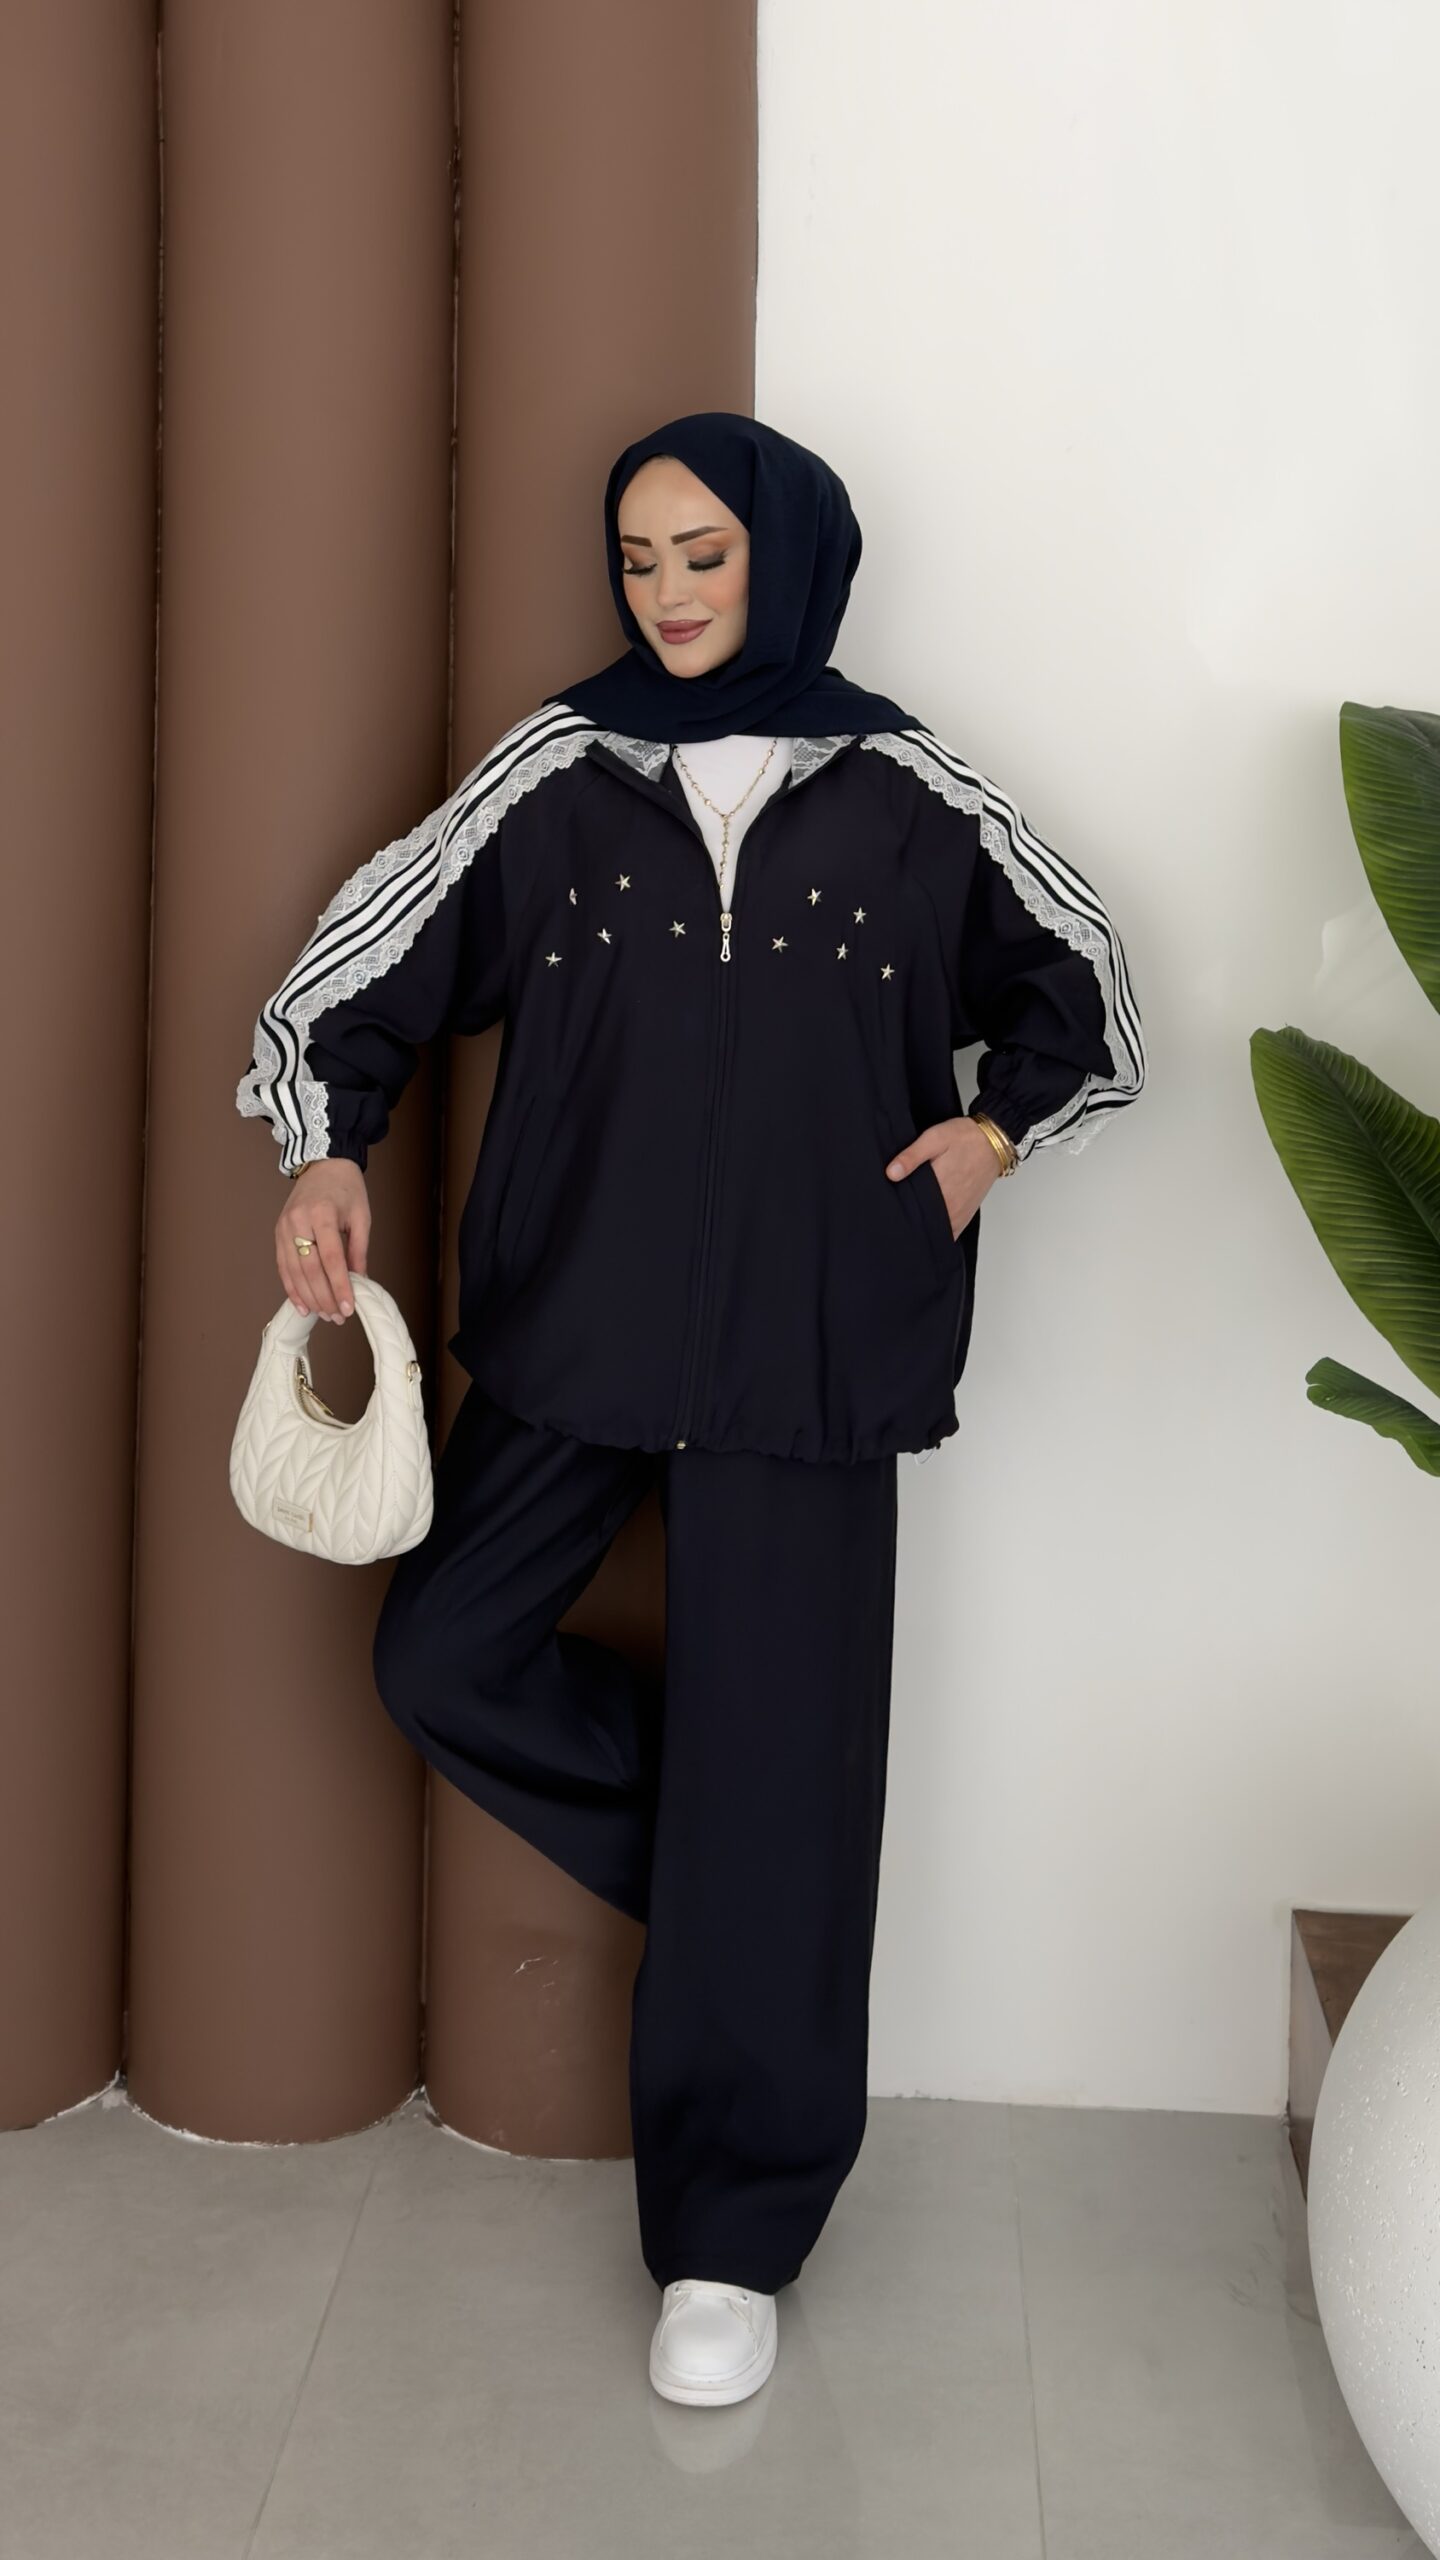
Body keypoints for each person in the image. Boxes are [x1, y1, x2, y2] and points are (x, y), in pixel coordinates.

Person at [236, 410, 1146, 2406]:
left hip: (818, 1340)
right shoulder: (559, 774)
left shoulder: (905, 790)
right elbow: (353, 970)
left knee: (779, 1761)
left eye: (704, 555)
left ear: (789, 555)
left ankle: (730, 2239)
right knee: (442, 1652)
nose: (665, 593)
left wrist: (997, 1133)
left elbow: (1096, 993)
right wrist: (324, 1145)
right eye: (639, 557)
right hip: (577, 1323)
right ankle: (762, 1891)